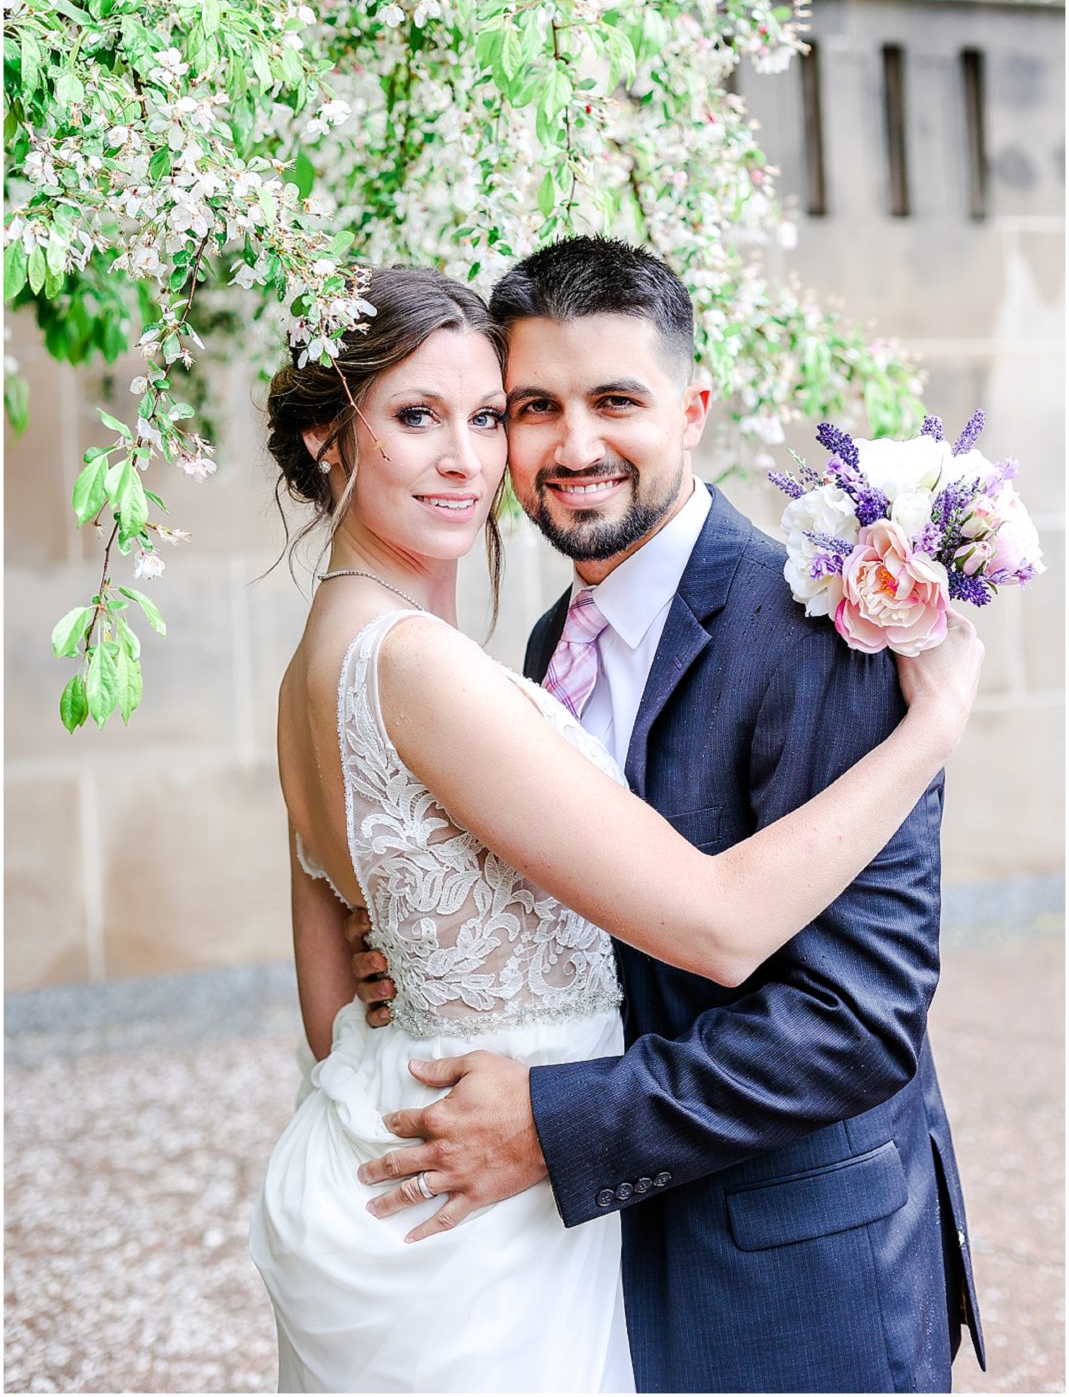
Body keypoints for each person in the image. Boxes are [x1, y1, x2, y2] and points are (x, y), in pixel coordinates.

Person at [250, 263, 983, 1395]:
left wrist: (552, 1118)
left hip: (786, 1275)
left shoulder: (818, 625)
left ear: (691, 411)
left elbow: (856, 1017)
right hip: (535, 1252)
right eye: (532, 406)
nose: (561, 443)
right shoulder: (522, 653)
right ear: (327, 443)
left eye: (614, 401)